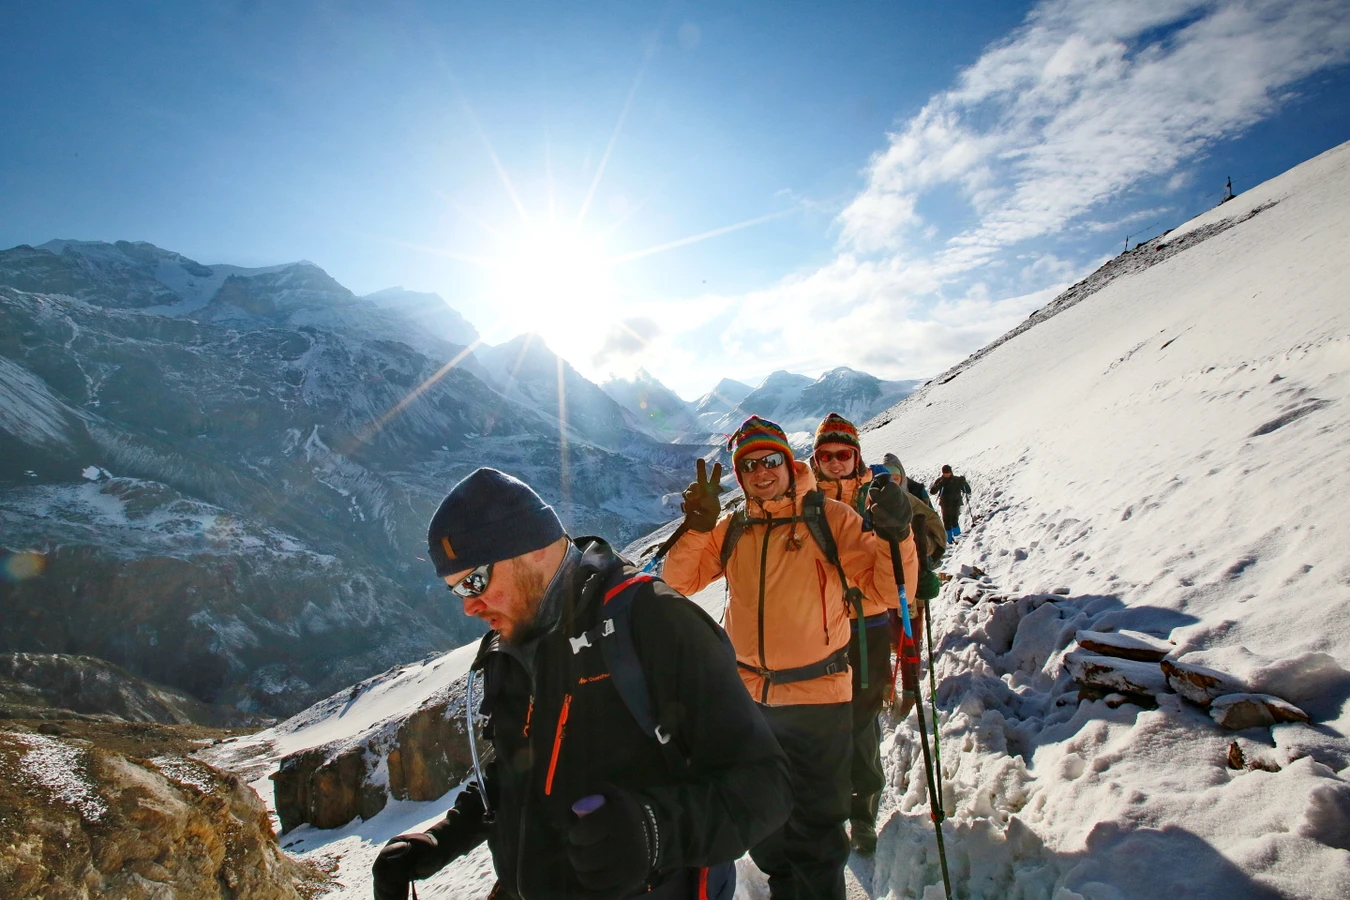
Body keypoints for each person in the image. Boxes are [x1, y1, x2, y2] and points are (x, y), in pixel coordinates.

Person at [371, 468, 792, 900]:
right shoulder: (511, 644)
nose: (469, 606)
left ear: (531, 548)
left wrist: (653, 831)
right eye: (457, 591)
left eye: (475, 581)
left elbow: (766, 787)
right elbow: (518, 771)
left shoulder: (653, 620)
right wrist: (442, 839)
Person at [664, 416, 912, 899]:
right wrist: (695, 529)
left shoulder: (830, 519)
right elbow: (678, 582)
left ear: (787, 461)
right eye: (749, 464)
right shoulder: (734, 527)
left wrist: (896, 534)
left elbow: (884, 591)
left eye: (771, 459)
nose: (762, 471)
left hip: (819, 699)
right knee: (764, 829)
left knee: (816, 834)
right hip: (749, 702)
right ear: (740, 475)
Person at [810, 414, 919, 854]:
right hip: (818, 626)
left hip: (868, 623)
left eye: (843, 454)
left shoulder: (880, 495)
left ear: (856, 455)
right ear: (816, 460)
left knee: (860, 720)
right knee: (821, 722)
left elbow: (909, 549)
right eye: (826, 455)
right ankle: (829, 808)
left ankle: (862, 812)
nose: (836, 462)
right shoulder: (803, 501)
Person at [929, 465, 972, 543]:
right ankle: (949, 541)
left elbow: (968, 491)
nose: (947, 474)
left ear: (951, 472)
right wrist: (939, 484)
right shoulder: (940, 480)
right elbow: (932, 491)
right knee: (946, 522)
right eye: (945, 473)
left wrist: (964, 483)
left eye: (948, 472)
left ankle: (958, 539)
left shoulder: (957, 480)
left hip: (955, 503)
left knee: (954, 520)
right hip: (945, 504)